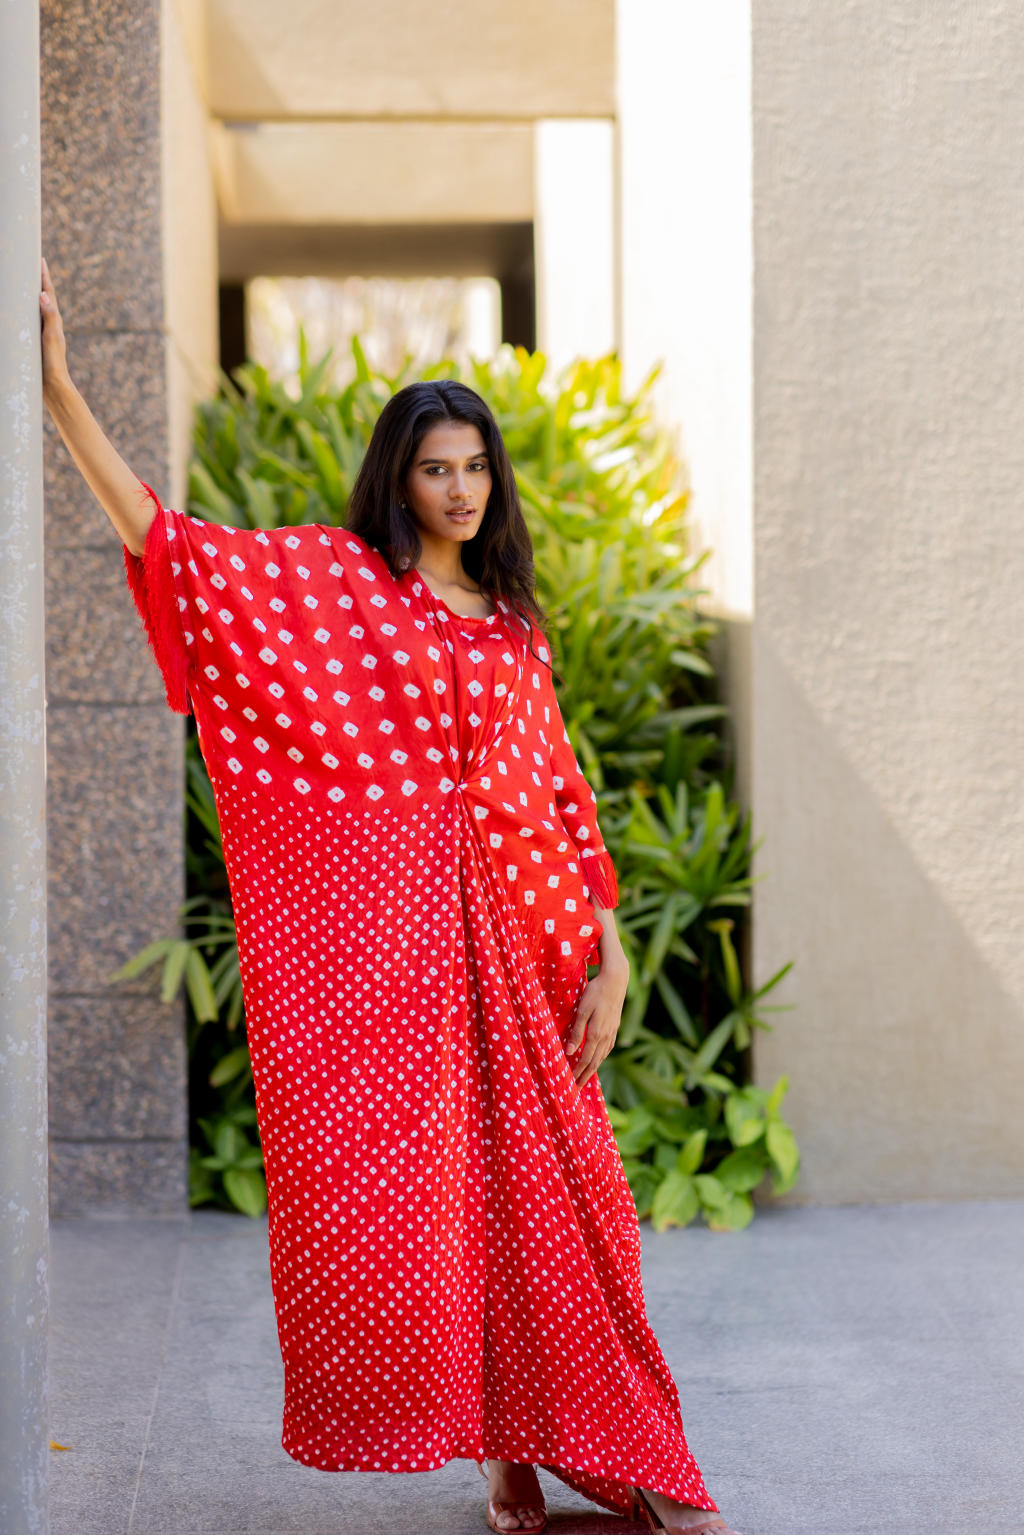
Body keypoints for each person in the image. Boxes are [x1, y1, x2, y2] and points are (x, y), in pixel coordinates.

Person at [39, 258, 742, 1535]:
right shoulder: (344, 591)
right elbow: (172, 549)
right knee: (442, 1214)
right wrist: (59, 392)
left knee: (574, 1212)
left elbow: (561, 790)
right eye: (436, 467)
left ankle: (612, 1444)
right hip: (403, 960)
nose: (459, 488)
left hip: (533, 950)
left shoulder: (516, 624)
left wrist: (611, 943)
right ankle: (504, 1458)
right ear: (398, 478)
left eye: (476, 465)